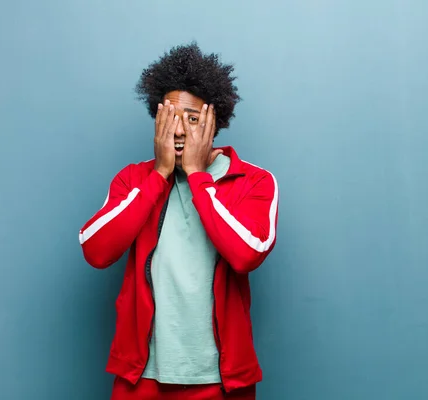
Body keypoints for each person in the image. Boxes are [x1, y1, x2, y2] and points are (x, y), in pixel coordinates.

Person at [78, 42, 279, 400]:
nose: (180, 129)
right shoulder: (133, 180)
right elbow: (96, 251)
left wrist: (200, 179)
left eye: (192, 117)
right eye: (170, 116)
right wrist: (158, 176)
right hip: (141, 376)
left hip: (220, 379)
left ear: (214, 120)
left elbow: (247, 254)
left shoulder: (253, 182)